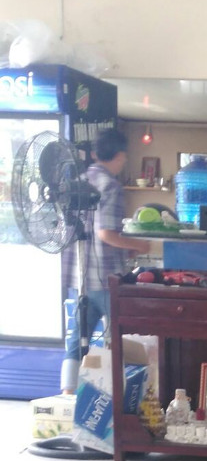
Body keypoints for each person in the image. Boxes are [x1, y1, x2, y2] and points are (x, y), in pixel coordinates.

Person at [61, 128, 155, 392]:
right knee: (118, 338)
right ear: (121, 155)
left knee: (78, 337)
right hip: (105, 278)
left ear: (95, 154)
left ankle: (67, 395)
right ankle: (112, 396)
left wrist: (126, 250)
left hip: (80, 276)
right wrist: (139, 245)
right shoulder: (110, 186)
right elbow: (106, 234)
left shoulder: (79, 181)